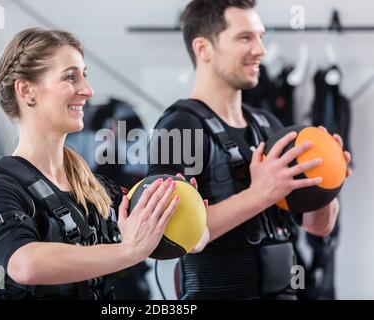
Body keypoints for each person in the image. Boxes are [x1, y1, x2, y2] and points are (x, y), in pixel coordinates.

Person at [148, 0, 351, 300]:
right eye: (245, 38)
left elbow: (318, 226)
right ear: (203, 49)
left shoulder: (266, 123)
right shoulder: (179, 126)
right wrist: (259, 195)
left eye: (260, 36)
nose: (260, 49)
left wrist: (327, 181)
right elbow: (168, 235)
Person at [0, 28, 181, 300]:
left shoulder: (95, 188)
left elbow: (189, 235)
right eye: (70, 77)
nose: (88, 91)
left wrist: (184, 207)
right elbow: (25, 264)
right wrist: (130, 250)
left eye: (85, 76)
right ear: (26, 90)